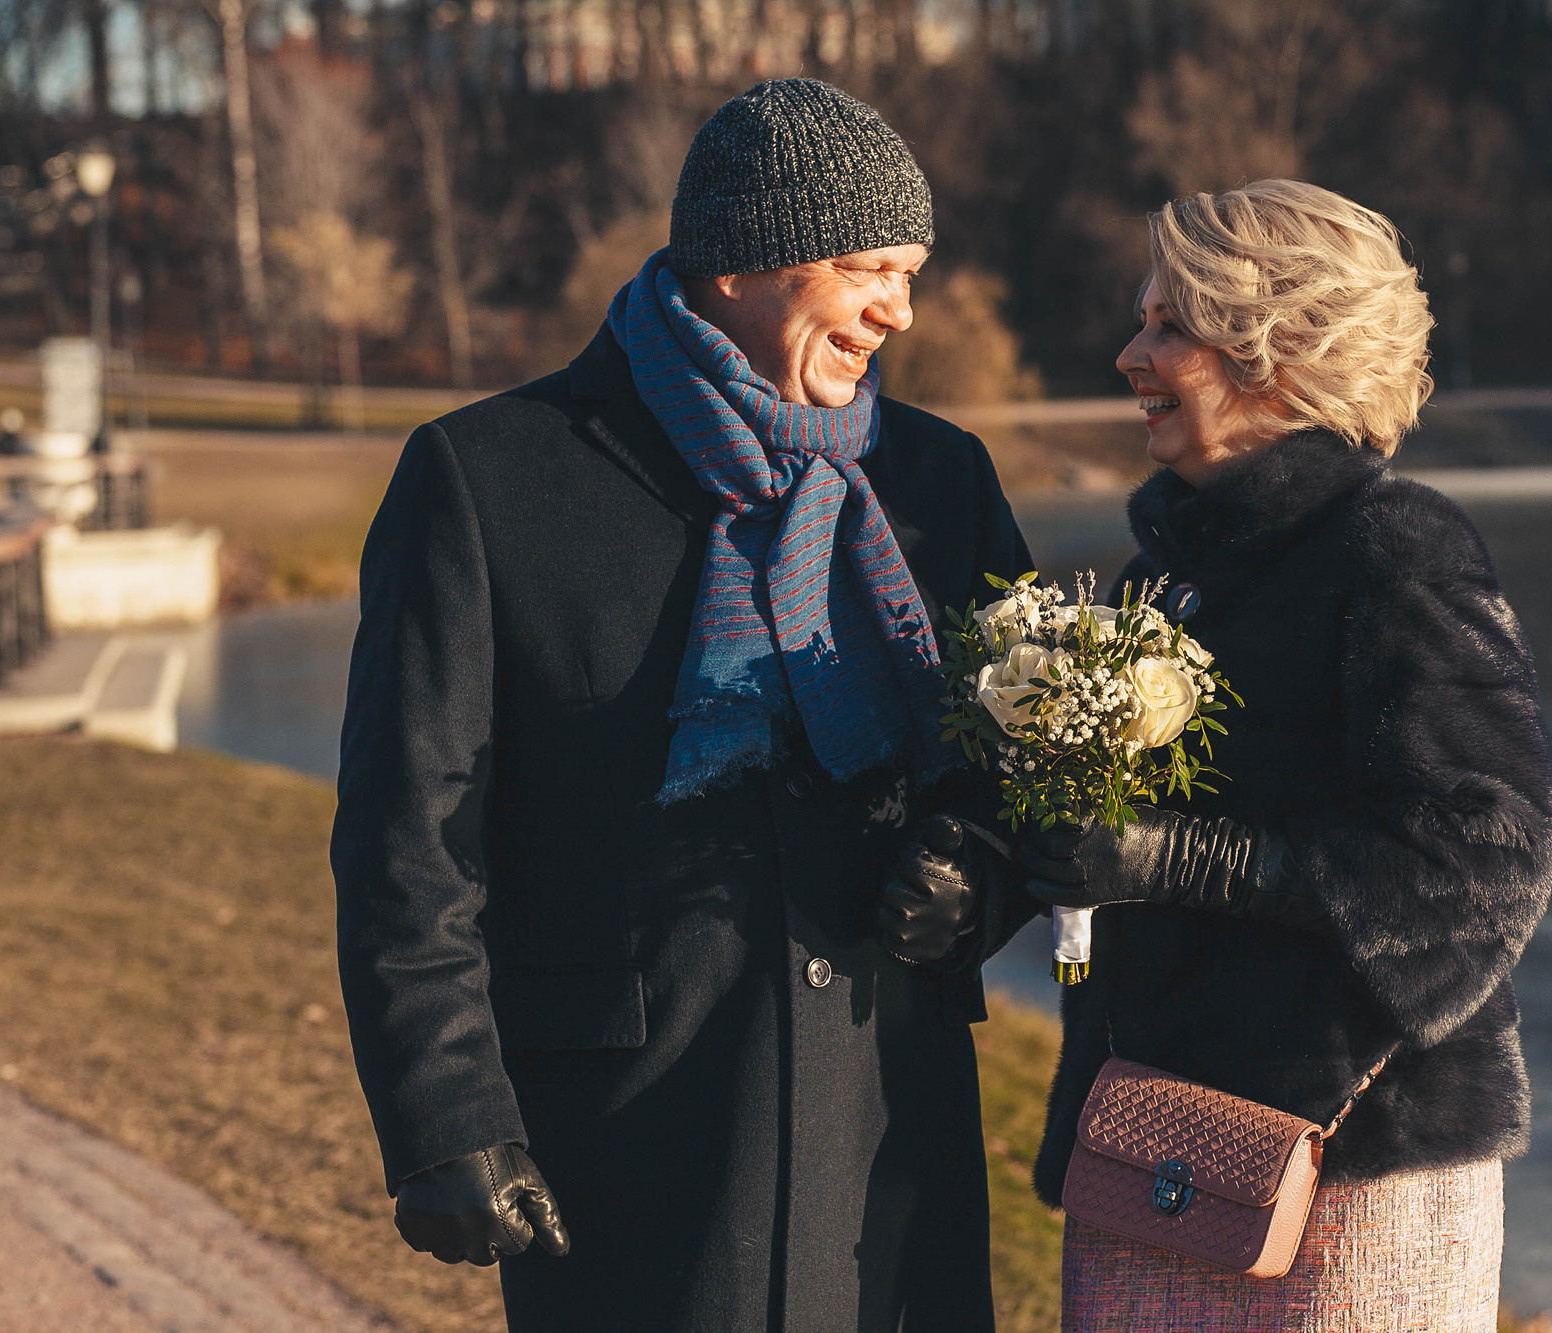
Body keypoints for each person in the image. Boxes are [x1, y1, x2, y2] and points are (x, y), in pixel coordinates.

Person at [332, 78, 1034, 1333]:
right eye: (867, 268)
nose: (898, 310)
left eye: (909, 273)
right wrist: (446, 1115)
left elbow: (1016, 772)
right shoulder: (489, 478)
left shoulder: (940, 478)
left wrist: (980, 871)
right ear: (739, 264)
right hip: (629, 1150)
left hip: (892, 1137)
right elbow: (409, 835)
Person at [1018, 180, 1552, 1331]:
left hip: (1353, 1175)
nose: (1128, 356)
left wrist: (1181, 860)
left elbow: (1485, 860)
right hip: (1145, 1149)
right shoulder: (1159, 577)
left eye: (1168, 326)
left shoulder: (1392, 549)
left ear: (1278, 348)